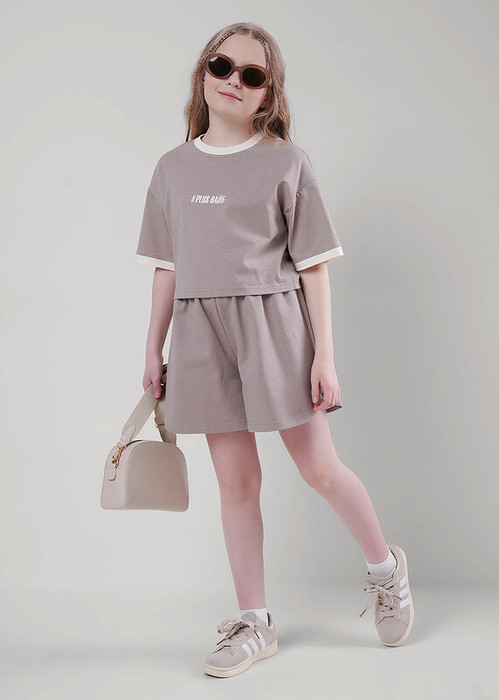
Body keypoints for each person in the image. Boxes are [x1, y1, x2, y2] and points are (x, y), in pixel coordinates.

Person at [135, 22, 414, 678]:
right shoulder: (172, 168)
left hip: (274, 326)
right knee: (236, 481)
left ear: (268, 93)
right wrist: (152, 347)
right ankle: (255, 623)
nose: (233, 81)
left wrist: (324, 355)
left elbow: (313, 265)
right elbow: (166, 266)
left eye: (252, 75)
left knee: (318, 468)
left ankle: (385, 569)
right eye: (221, 66)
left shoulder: (287, 162)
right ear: (203, 73)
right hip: (200, 333)